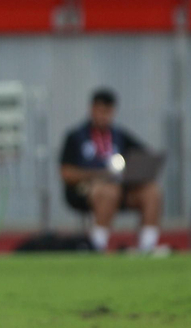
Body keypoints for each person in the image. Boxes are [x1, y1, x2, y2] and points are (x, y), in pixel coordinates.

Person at [59, 89, 165, 255]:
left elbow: (145, 155)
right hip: (86, 191)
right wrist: (100, 175)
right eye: (100, 111)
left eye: (108, 112)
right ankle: (97, 246)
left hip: (122, 188)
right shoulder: (76, 137)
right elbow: (66, 173)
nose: (103, 116)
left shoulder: (120, 136)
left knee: (152, 191)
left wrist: (134, 172)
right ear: (92, 109)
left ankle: (147, 246)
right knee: (108, 191)